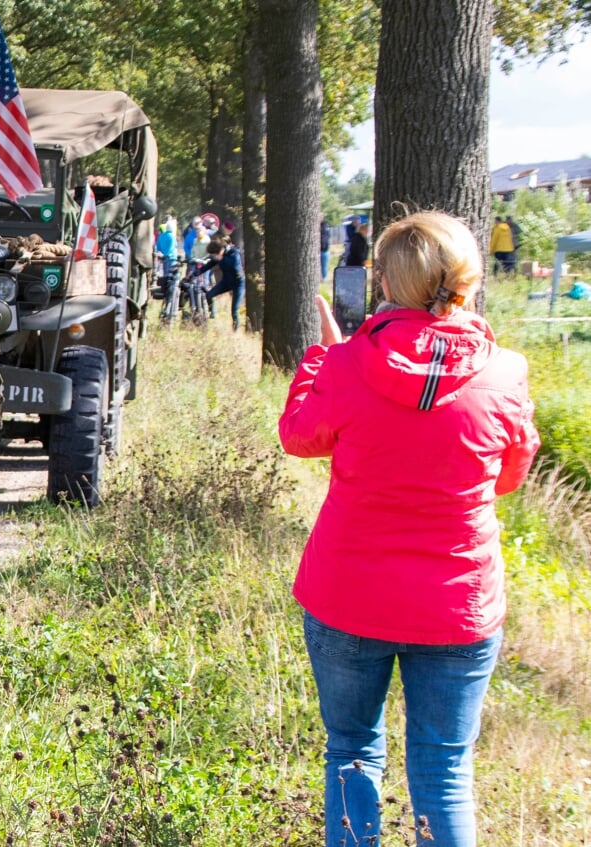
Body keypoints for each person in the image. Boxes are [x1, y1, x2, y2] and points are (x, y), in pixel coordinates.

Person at [279, 210, 540, 847]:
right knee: (445, 769)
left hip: (348, 594)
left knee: (350, 752)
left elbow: (297, 436)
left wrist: (322, 357)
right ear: (468, 281)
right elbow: (508, 476)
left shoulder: (346, 364)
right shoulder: (505, 373)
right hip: (458, 601)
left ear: (387, 281)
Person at [201, 239, 244, 330]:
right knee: (209, 295)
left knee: (234, 310)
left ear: (220, 251)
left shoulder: (233, 253)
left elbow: (235, 266)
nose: (213, 257)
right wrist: (196, 273)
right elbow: (209, 265)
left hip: (238, 283)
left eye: (214, 255)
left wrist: (222, 259)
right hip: (226, 282)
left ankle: (235, 330)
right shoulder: (218, 256)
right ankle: (212, 312)